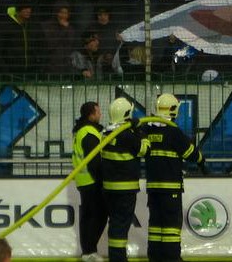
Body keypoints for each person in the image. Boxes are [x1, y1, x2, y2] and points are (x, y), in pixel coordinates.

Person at [140, 93, 205, 262]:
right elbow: (191, 154)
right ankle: (171, 257)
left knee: (155, 224)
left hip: (153, 187)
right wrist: (202, 161)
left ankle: (155, 256)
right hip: (171, 189)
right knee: (171, 226)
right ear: (173, 110)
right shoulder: (174, 132)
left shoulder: (146, 130)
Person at [101, 97, 148, 262]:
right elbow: (144, 150)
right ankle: (118, 259)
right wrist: (139, 130)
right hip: (125, 189)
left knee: (115, 224)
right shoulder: (126, 134)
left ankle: (116, 257)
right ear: (127, 114)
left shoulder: (105, 133)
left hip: (109, 189)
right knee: (121, 225)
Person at [72, 101, 107, 262]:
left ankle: (87, 252)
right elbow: (94, 162)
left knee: (87, 217)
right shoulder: (89, 132)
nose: (100, 114)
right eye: (98, 112)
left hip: (83, 180)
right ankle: (90, 251)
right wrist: (102, 181)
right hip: (92, 181)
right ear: (91, 114)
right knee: (98, 216)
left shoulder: (81, 130)